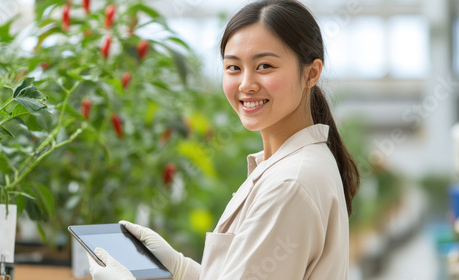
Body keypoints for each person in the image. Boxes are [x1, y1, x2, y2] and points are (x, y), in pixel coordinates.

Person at [87, 0, 360, 279]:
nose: (246, 84)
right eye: (233, 67)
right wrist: (182, 270)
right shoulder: (287, 166)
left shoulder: (289, 184)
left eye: (265, 66)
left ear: (311, 73)